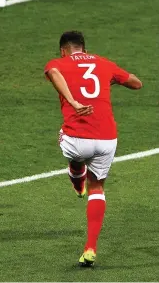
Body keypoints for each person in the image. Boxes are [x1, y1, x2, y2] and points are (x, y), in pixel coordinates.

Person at [44, 30, 142, 267]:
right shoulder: (103, 63)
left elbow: (53, 72)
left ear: (63, 50)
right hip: (107, 139)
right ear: (84, 49)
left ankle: (76, 178)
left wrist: (74, 102)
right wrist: (113, 79)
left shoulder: (59, 63)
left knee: (68, 145)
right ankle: (90, 248)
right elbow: (136, 83)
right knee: (97, 186)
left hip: (76, 140)